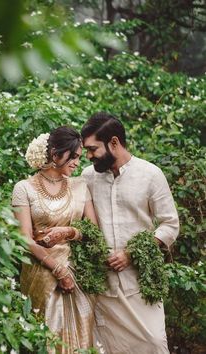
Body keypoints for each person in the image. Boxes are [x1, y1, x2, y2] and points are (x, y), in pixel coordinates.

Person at [81, 112, 180, 354]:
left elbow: (170, 225)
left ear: (114, 142)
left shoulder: (150, 175)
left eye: (93, 149)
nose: (89, 155)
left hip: (141, 282)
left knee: (154, 343)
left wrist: (131, 253)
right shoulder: (87, 177)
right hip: (103, 286)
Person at [12, 126, 98, 353]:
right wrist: (59, 270)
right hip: (41, 273)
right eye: (74, 156)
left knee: (83, 339)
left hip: (78, 272)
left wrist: (68, 232)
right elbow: (25, 239)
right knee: (47, 340)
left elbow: (93, 230)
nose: (78, 162)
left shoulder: (80, 186)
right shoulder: (24, 188)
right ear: (55, 154)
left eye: (80, 157)